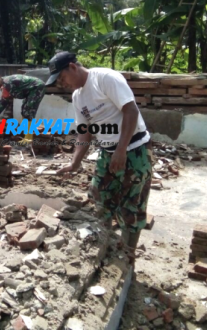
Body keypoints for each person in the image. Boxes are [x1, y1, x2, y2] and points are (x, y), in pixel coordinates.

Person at [50, 52, 152, 252]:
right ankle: (104, 249)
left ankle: (127, 256)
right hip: (107, 154)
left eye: (62, 78)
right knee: (99, 202)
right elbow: (85, 133)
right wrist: (75, 163)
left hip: (134, 151)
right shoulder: (77, 97)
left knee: (131, 207)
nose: (63, 84)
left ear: (72, 67)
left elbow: (130, 110)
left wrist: (121, 150)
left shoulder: (105, 78)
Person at [0, 72, 45, 145]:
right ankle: (26, 136)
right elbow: (5, 100)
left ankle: (28, 139)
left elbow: (3, 102)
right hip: (29, 90)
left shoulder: (7, 83)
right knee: (24, 111)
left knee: (28, 112)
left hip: (36, 87)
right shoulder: (5, 84)